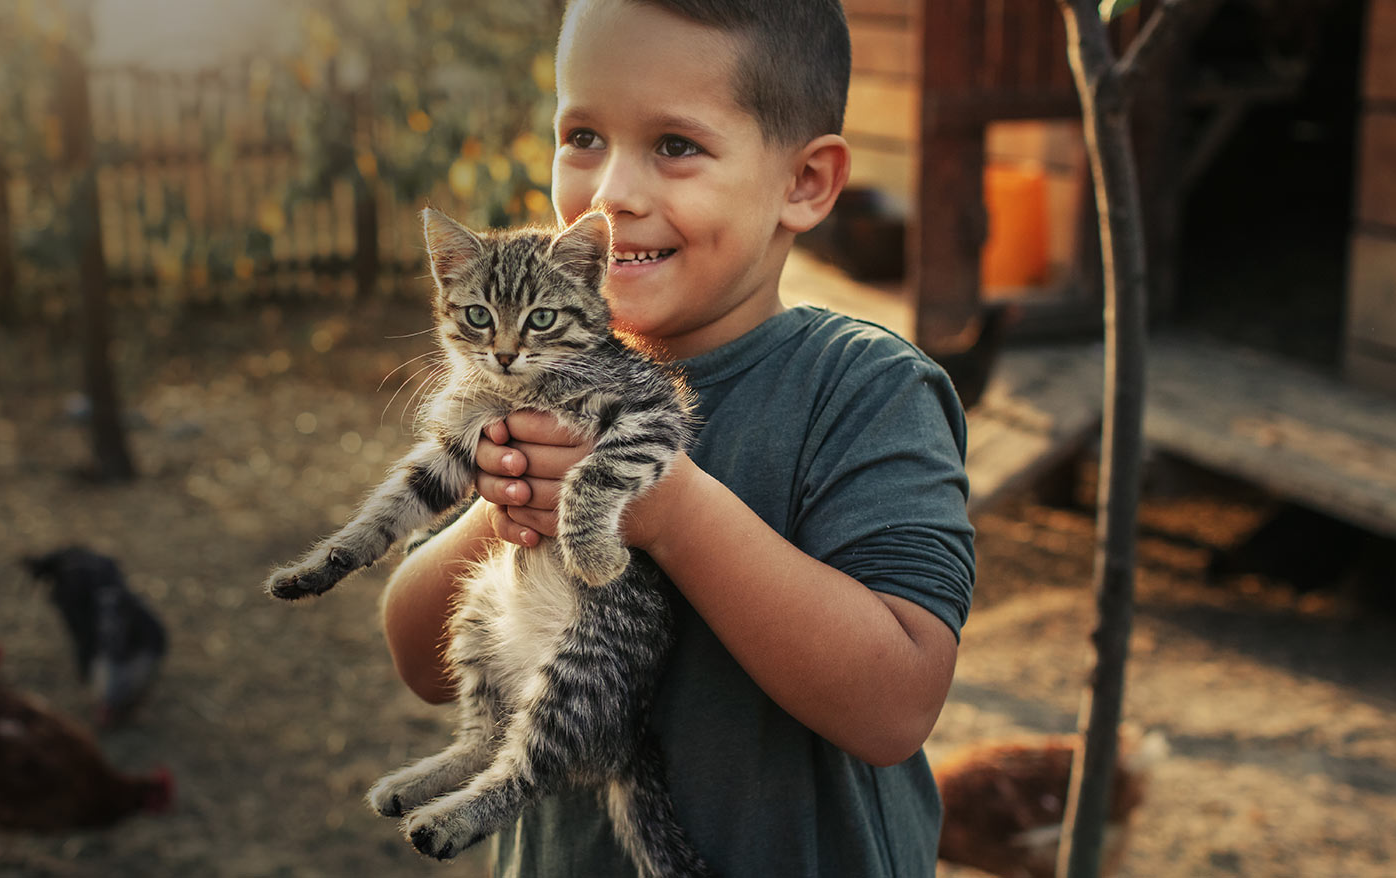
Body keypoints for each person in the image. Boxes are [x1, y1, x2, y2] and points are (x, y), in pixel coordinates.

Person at [378, 1, 976, 875]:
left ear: (805, 182)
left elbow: (896, 708)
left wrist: (670, 511)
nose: (611, 192)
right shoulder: (520, 384)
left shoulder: (865, 389)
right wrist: (507, 502)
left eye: (675, 145)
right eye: (583, 137)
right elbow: (419, 659)